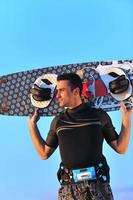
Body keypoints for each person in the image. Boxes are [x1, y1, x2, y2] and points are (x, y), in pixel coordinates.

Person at [28, 73, 132, 200]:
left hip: (98, 186)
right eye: (56, 91)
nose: (57, 96)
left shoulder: (99, 116)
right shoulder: (58, 121)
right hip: (69, 189)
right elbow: (44, 153)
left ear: (76, 91)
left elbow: (120, 148)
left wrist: (126, 120)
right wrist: (32, 125)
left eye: (61, 90)